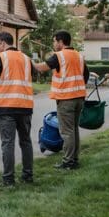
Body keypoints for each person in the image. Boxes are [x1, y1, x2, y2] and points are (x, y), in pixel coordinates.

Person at [33, 31, 90, 169]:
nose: (53, 44)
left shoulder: (59, 56)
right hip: (79, 97)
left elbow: (40, 68)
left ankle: (68, 161)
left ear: (60, 42)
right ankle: (74, 159)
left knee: (67, 131)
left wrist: (28, 60)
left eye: (54, 41)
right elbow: (86, 75)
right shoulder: (79, 56)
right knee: (74, 129)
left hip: (66, 99)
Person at [0, 32, 34, 186]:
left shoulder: (1, 58)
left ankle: (8, 179)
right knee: (26, 142)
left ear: (3, 43)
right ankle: (28, 176)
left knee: (8, 143)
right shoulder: (27, 59)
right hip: (25, 106)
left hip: (6, 106)